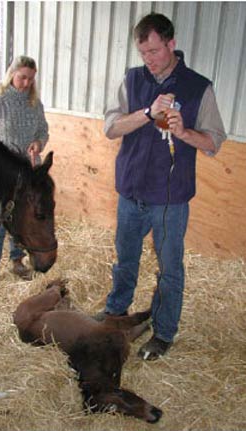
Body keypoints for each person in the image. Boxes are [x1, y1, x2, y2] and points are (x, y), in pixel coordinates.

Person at [95, 13, 226, 360]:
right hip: (131, 192)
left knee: (170, 270)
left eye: (154, 51)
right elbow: (110, 127)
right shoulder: (132, 79)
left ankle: (164, 333)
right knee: (126, 261)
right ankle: (116, 313)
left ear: (171, 44)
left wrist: (184, 133)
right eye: (143, 53)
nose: (149, 60)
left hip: (169, 200)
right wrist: (146, 112)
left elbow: (214, 143)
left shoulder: (198, 87)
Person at [0, 55, 49, 286]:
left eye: (31, 79)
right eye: (22, 78)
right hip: (2, 176)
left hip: (27, 173)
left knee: (22, 220)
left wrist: (38, 143)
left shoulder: (34, 103)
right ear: (12, 74)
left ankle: (17, 261)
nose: (26, 83)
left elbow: (43, 131)